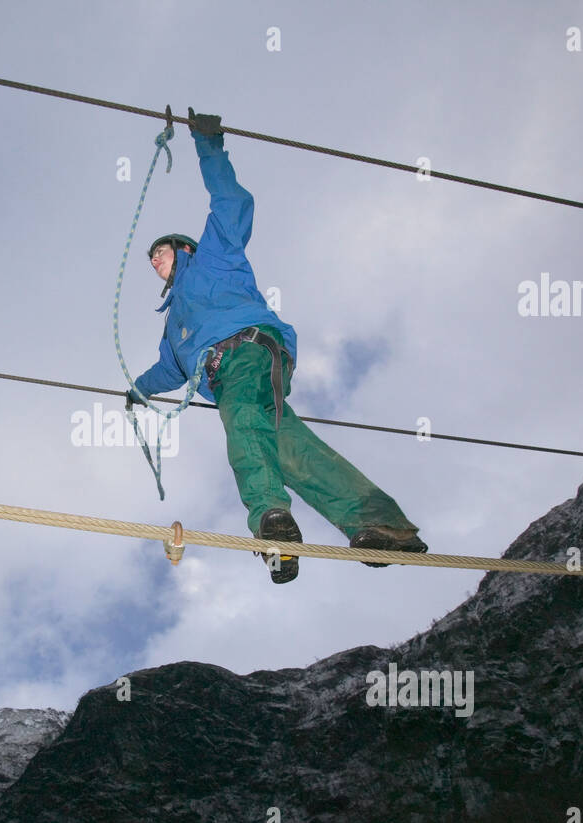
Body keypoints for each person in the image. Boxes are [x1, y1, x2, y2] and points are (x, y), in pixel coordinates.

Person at [128, 109, 428, 583]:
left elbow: (231, 200)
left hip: (242, 353)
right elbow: (170, 369)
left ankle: (272, 522)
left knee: (242, 423)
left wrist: (209, 144)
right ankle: (381, 524)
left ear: (184, 249)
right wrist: (138, 390)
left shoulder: (213, 259)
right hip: (235, 369)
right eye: (150, 261)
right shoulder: (175, 326)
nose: (153, 261)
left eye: (160, 252)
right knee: (290, 452)